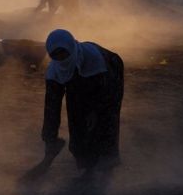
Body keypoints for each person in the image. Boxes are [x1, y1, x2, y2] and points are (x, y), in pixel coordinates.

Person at [40, 29, 124, 177]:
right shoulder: (54, 72)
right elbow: (51, 108)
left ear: (71, 49)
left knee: (106, 119)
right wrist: (50, 138)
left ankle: (107, 162)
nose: (61, 58)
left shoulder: (94, 60)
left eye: (63, 53)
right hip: (78, 80)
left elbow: (107, 94)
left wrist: (95, 111)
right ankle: (87, 166)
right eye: (56, 55)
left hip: (108, 72)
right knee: (76, 118)